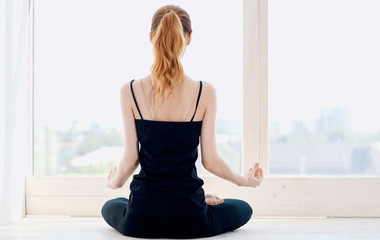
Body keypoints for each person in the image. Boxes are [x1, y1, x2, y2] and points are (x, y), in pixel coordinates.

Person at [101, 5, 264, 238]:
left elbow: (130, 160)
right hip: (190, 219)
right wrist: (244, 181)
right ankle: (200, 200)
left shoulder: (130, 91)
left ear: (151, 38)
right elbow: (211, 161)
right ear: (188, 38)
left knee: (112, 204)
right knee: (243, 208)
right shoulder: (204, 92)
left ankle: (194, 199)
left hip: (140, 219)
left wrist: (113, 183)